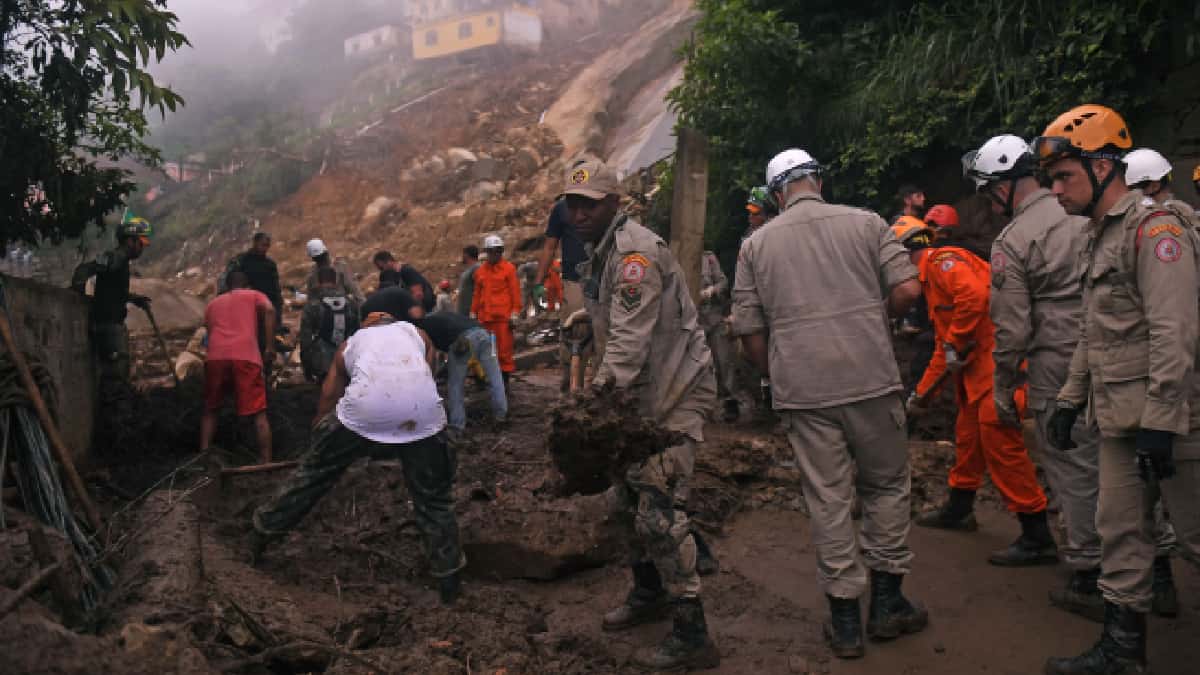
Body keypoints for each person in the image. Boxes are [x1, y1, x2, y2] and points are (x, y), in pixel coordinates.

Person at [967, 134, 1180, 621]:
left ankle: (1088, 574)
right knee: (1132, 467)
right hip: (1121, 354)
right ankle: (1161, 573)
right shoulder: (1093, 218)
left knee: (1076, 471)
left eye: (988, 192)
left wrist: (1002, 386)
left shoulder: (1015, 240)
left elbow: (1012, 327)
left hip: (1058, 361)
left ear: (1003, 186)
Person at [733, 148, 927, 659]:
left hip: (805, 392)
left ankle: (845, 623)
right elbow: (908, 288)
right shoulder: (866, 224)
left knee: (828, 497)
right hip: (872, 380)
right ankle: (887, 604)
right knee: (886, 486)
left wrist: (778, 372)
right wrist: (874, 321)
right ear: (817, 180)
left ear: (777, 194)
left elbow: (748, 330)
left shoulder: (755, 247)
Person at [1037, 105, 1200, 675]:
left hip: (1176, 420)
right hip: (1120, 420)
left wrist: (1160, 421)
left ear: (1106, 166)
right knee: (1121, 532)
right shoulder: (1095, 238)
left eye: (1064, 177)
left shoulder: (1156, 231)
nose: (1055, 190)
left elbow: (1174, 329)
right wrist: (1065, 400)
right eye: (1052, 179)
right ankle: (1123, 650)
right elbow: (1094, 330)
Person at [565, 158, 720, 671]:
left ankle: (692, 631)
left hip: (673, 392)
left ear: (614, 202)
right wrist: (589, 317)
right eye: (572, 202)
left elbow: (630, 341)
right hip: (639, 395)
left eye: (588, 203)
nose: (578, 211)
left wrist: (592, 404)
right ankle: (649, 591)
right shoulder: (603, 252)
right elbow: (622, 318)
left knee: (659, 511)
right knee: (625, 499)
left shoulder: (635, 255)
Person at [249, 289, 464, 604]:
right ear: (393, 319)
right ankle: (449, 580)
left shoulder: (351, 343)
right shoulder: (417, 333)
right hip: (423, 415)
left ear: (368, 320)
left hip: (362, 414)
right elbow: (427, 376)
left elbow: (329, 394)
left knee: (312, 476)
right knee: (434, 501)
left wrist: (319, 440)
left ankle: (261, 533)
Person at [897, 218, 1057, 566]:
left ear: (904, 253)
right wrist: (920, 396)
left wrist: (956, 342)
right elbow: (944, 346)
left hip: (1000, 371)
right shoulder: (934, 280)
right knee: (967, 437)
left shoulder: (943, 263)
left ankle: (1037, 534)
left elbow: (976, 297)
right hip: (978, 376)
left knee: (1001, 445)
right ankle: (959, 508)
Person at [70, 216, 153, 433]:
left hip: (110, 323)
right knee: (115, 379)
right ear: (129, 241)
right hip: (108, 326)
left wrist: (134, 298)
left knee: (117, 376)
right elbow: (83, 270)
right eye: (140, 243)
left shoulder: (122, 263)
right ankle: (114, 428)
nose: (142, 248)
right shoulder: (115, 257)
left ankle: (116, 425)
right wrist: (78, 296)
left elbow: (113, 291)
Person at [394, 291, 506, 431]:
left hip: (463, 341)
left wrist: (428, 378)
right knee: (495, 377)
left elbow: (431, 356)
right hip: (484, 333)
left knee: (455, 385)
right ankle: (501, 415)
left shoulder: (422, 330)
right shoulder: (439, 317)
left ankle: (457, 426)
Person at [201, 271, 276, 462]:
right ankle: (265, 461)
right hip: (246, 357)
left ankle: (203, 456)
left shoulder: (213, 304)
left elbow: (209, 332)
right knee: (259, 412)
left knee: (211, 409)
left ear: (227, 286)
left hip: (215, 357)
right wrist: (269, 346)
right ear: (247, 285)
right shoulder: (253, 295)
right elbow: (269, 310)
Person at [700, 250, 749, 422]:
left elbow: (723, 282)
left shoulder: (708, 258)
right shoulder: (675, 257)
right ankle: (700, 408)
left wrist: (711, 290)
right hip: (691, 323)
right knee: (698, 365)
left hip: (713, 318)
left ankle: (731, 404)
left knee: (724, 361)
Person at [470, 234, 521, 390]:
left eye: (497, 251)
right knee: (484, 351)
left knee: (504, 352)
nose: (494, 254)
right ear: (487, 252)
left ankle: (504, 384)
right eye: (491, 251)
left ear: (501, 251)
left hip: (503, 320)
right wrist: (473, 312)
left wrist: (515, 312)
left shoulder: (509, 269)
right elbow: (477, 294)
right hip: (485, 319)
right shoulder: (480, 272)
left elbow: (515, 292)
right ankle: (484, 380)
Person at [299, 266, 360, 384]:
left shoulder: (312, 305)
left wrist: (307, 368)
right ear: (336, 281)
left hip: (322, 364)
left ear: (318, 282)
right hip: (347, 362)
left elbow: (305, 340)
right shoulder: (351, 304)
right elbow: (357, 335)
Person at [533, 195, 587, 319]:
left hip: (603, 278)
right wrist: (538, 283)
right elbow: (549, 247)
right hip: (574, 279)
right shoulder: (561, 208)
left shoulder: (601, 203)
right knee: (575, 324)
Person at [223, 232, 283, 323]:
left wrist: (278, 314)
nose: (265, 249)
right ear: (255, 243)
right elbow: (228, 282)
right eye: (263, 245)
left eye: (267, 246)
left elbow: (276, 290)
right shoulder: (240, 261)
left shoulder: (270, 264)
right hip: (245, 307)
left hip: (266, 306)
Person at [304, 239, 364, 304]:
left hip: (342, 308)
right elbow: (355, 291)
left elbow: (355, 291)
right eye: (319, 258)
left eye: (321, 257)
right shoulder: (312, 276)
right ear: (326, 252)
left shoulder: (340, 267)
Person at [457, 246, 481, 316]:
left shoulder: (477, 268)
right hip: (464, 312)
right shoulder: (470, 269)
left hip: (470, 312)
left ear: (466, 255)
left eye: (462, 254)